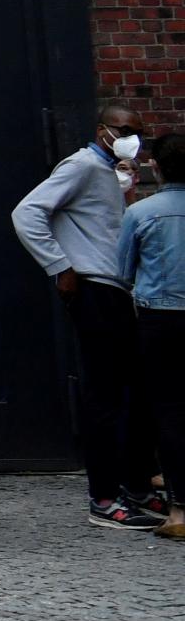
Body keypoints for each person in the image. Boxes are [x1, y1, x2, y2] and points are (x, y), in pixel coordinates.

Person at [12, 102, 166, 529]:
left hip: (117, 290)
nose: (132, 138)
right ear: (103, 131)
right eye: (124, 129)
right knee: (105, 395)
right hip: (95, 288)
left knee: (132, 392)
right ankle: (104, 496)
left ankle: (136, 484)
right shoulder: (81, 165)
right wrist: (59, 266)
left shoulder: (110, 172)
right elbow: (27, 212)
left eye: (137, 130)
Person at [117, 145, 185, 539]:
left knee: (172, 414)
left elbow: (123, 270)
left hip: (161, 319)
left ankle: (179, 509)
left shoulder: (141, 213)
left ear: (156, 169)